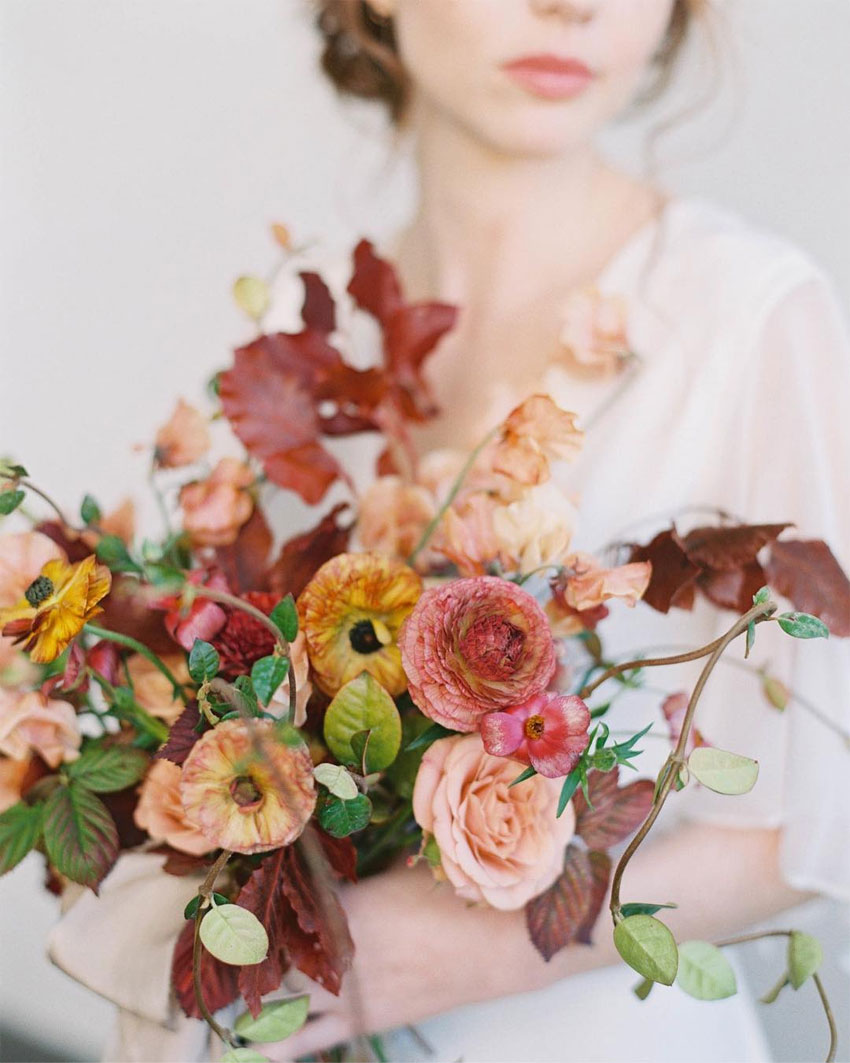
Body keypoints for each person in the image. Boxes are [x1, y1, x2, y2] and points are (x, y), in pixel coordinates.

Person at [48, 1, 850, 1060]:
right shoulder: (309, 317)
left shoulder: (751, 318)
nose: (573, 6)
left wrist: (463, 946)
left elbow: (812, 830)